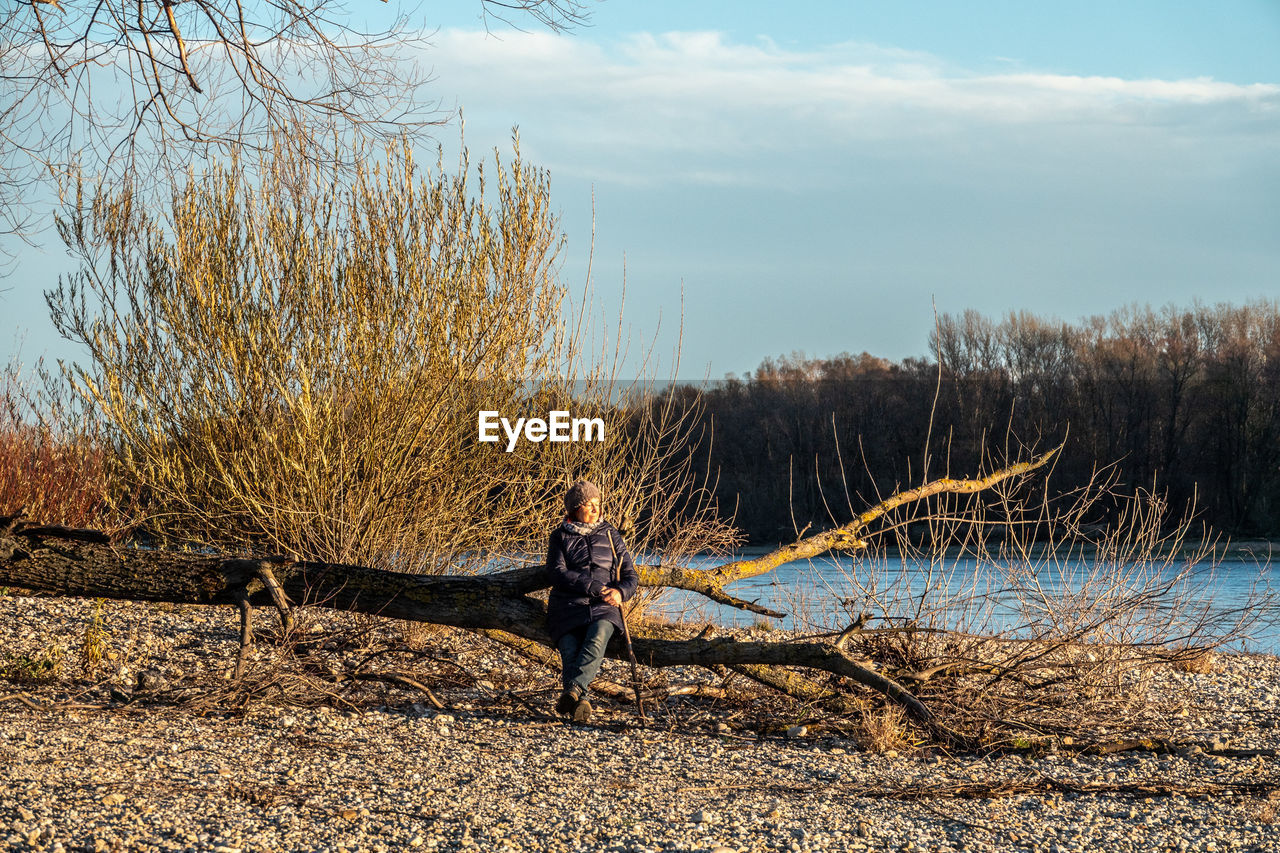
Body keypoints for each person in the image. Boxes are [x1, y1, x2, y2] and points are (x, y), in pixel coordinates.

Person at [544, 480, 639, 723]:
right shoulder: (560, 536)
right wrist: (594, 587)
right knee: (570, 649)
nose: (596, 509)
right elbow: (556, 572)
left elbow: (630, 576)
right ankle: (582, 701)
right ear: (575, 509)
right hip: (567, 605)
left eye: (597, 504)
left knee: (598, 636)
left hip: (604, 607)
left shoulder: (610, 534)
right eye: (589, 505)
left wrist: (620, 593)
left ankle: (573, 690)